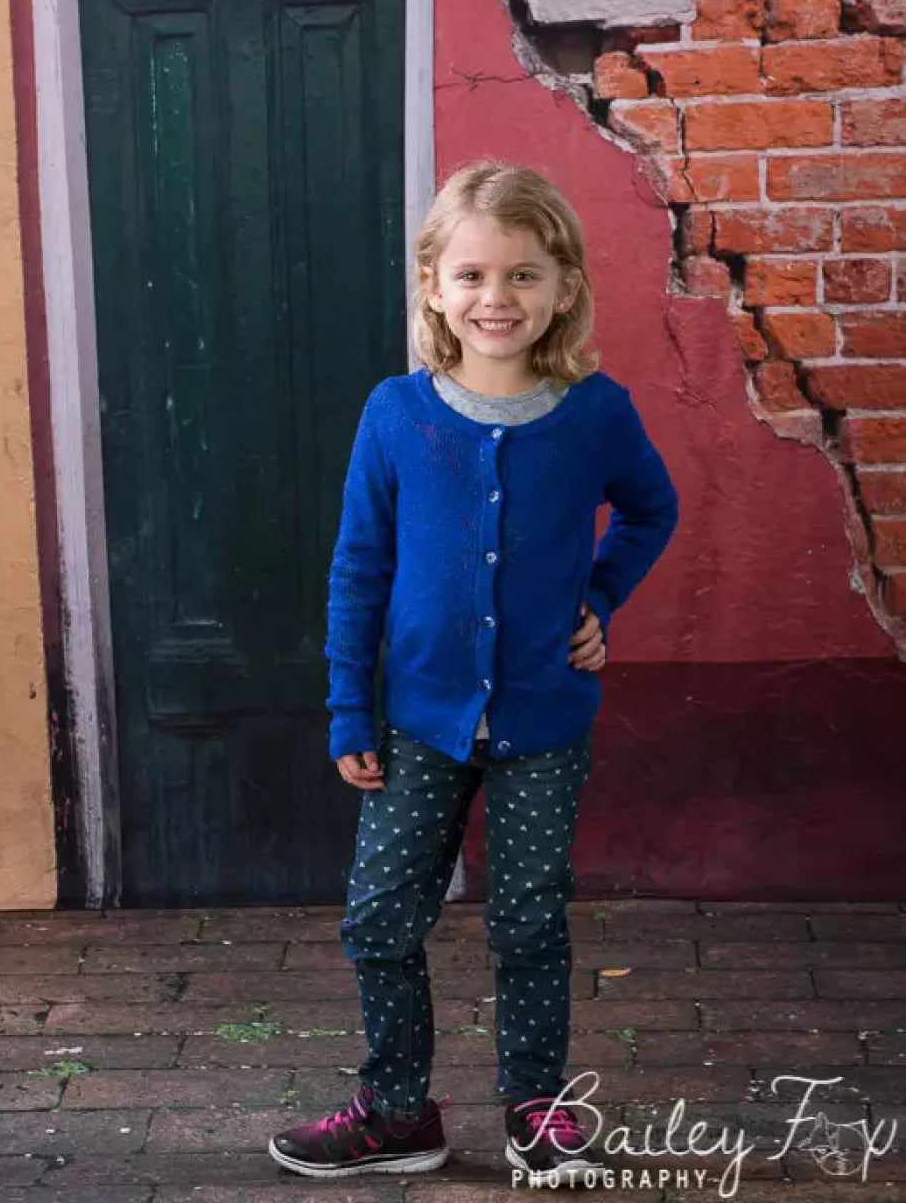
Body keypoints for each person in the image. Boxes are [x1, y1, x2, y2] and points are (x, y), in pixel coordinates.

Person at [269, 161, 678, 1181]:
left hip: (544, 715)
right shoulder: (397, 415)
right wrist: (347, 706)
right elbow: (358, 566)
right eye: (472, 275)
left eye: (525, 275)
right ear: (434, 287)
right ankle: (398, 1108)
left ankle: (537, 1106)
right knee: (378, 912)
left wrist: (597, 597)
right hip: (415, 717)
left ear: (566, 287)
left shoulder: (594, 412)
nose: (497, 297)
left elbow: (649, 509)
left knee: (530, 912)